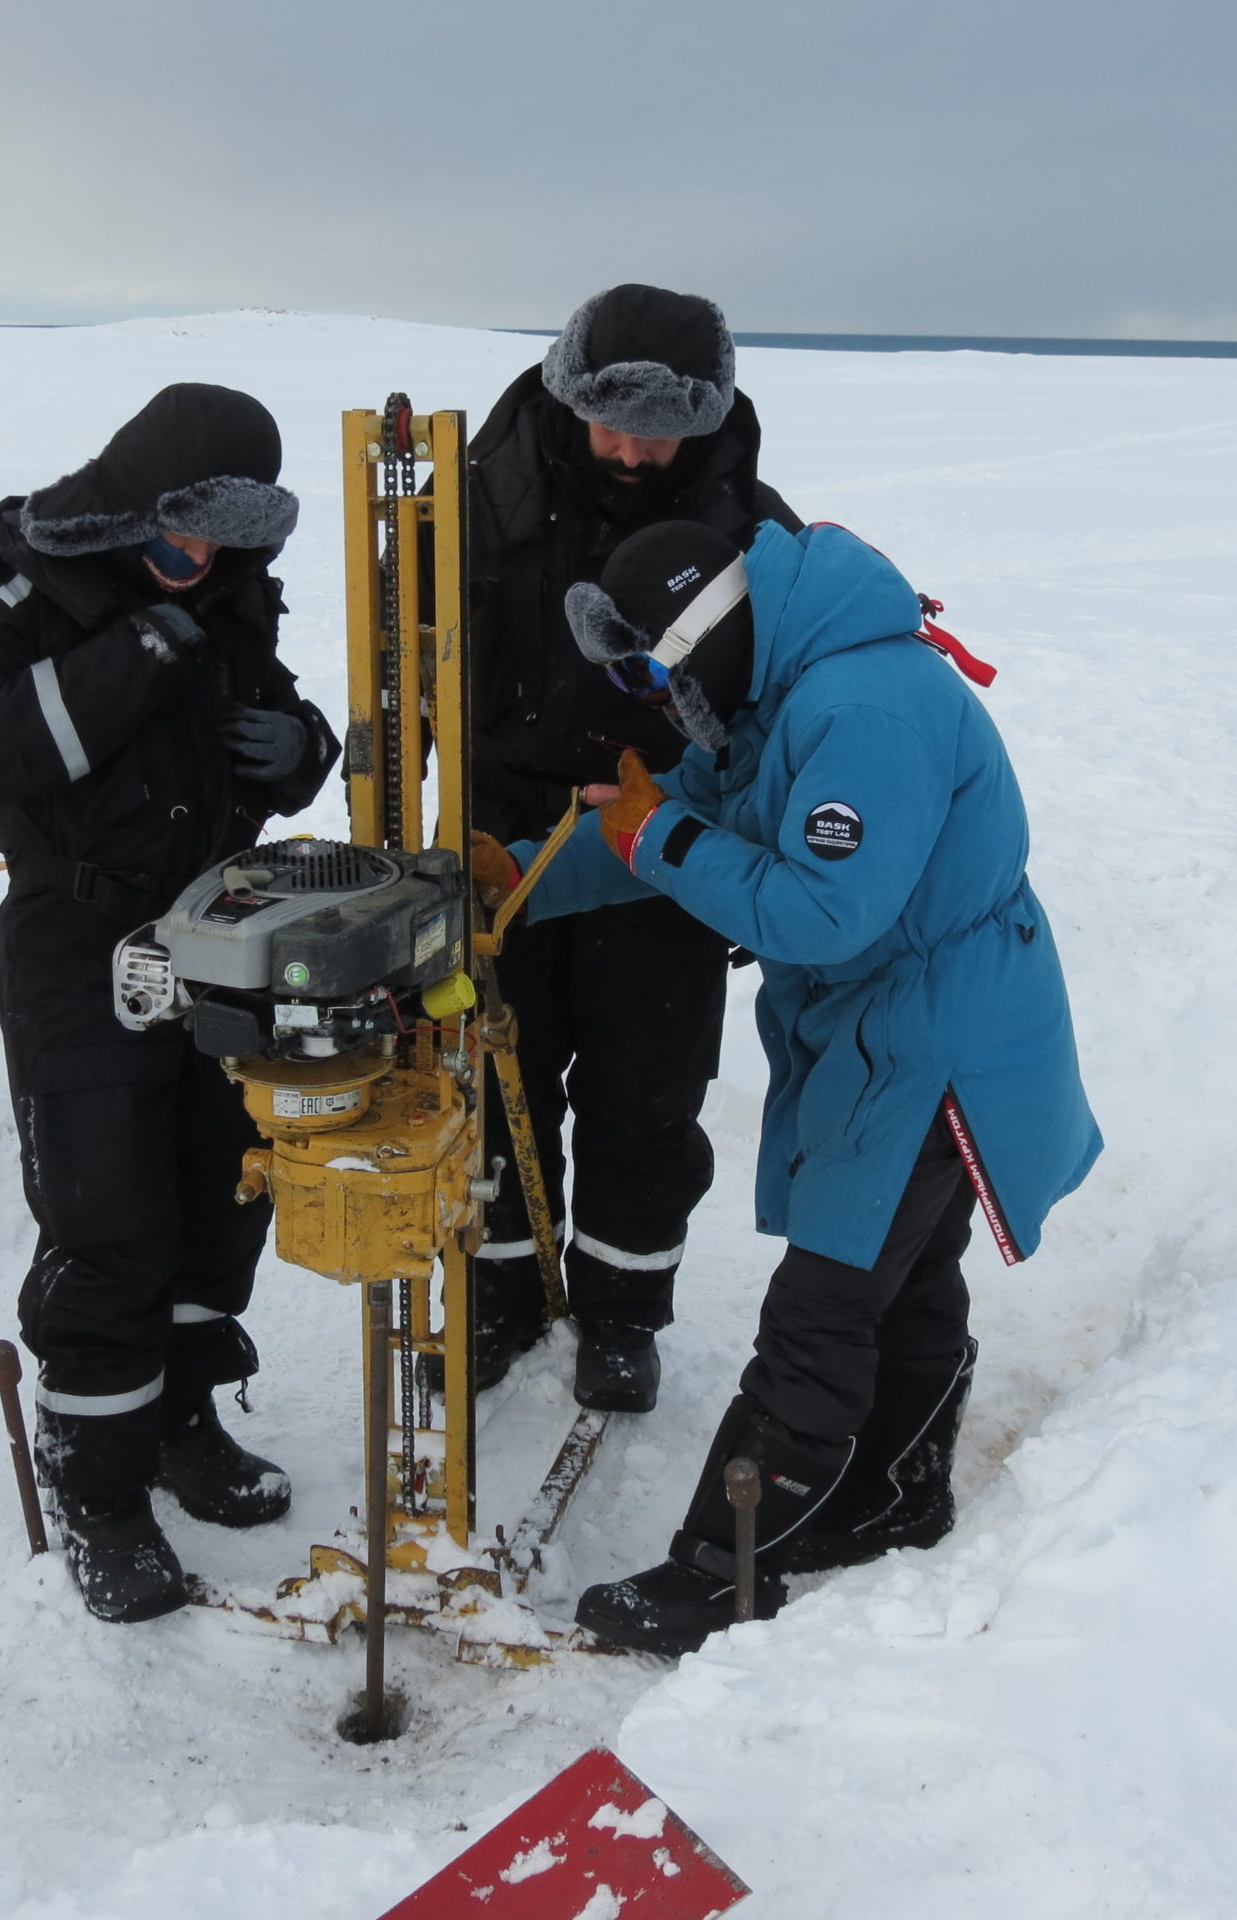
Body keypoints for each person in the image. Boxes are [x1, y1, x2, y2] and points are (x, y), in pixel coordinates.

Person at [473, 517, 1102, 1657]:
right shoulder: (788, 690)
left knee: (823, 1310)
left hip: (929, 1044)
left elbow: (820, 910)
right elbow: (680, 821)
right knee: (903, 1284)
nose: (645, 698)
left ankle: (720, 1572)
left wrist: (656, 833)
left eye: (646, 668)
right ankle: (893, 1498)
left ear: (703, 636)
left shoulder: (863, 712)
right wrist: (517, 881)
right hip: (895, 1029)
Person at [0, 384, 340, 1623]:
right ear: (128, 502)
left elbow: (257, 725)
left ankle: (183, 1420)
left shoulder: (226, 588)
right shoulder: (6, 593)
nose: (202, 564)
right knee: (107, 1216)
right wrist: (140, 648)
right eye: (181, 537)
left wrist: (301, 746)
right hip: (78, 933)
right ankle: (96, 1486)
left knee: (225, 1190)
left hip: (220, 924)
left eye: (228, 541)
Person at [466, 283, 802, 1414]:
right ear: (569, 392)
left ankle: (620, 1311)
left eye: (661, 428)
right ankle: (505, 1292)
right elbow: (407, 650)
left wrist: (751, 857)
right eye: (613, 420)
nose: (632, 449)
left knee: (647, 1093)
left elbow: (784, 706)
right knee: (494, 1074)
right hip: (501, 832)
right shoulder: (477, 496)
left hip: (668, 838)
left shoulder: (756, 529)